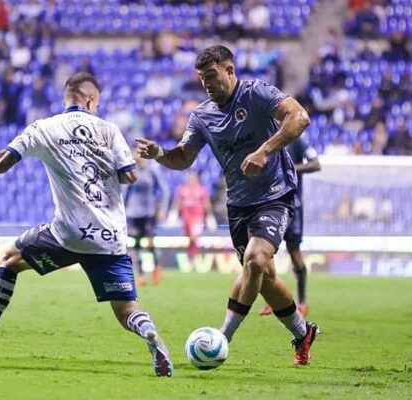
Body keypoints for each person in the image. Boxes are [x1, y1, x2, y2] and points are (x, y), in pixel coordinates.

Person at [0, 72, 173, 377]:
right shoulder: (109, 130)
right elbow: (130, 176)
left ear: (67, 97)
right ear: (91, 99)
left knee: (10, 259)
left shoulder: (44, 128)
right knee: (127, 310)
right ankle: (150, 334)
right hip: (110, 237)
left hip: (68, 233)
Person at [135, 45, 319, 366]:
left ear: (230, 70)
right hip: (239, 204)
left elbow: (299, 117)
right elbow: (184, 157)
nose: (206, 84)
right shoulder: (202, 115)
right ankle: (303, 334)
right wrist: (160, 154)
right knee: (263, 276)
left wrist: (265, 150)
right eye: (201, 79)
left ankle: (221, 338)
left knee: (256, 259)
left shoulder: (256, 93)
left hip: (275, 194)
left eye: (211, 76)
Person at [260, 136, 321, 318]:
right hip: (269, 204)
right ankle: (273, 300)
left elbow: (315, 164)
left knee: (294, 253)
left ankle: (302, 302)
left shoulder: (296, 140)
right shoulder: (263, 136)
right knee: (266, 254)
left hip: (293, 205)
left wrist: (288, 168)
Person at [124, 157, 169, 286]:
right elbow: (125, 191)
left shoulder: (153, 169)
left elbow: (164, 189)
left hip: (149, 213)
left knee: (150, 244)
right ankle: (141, 275)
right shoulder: (131, 170)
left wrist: (162, 209)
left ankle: (156, 268)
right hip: (133, 213)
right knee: (135, 245)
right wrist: (123, 209)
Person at [169, 171, 216, 262]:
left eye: (193, 178)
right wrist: (173, 214)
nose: (191, 180)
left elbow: (206, 203)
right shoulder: (183, 189)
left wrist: (210, 217)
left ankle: (194, 257)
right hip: (186, 218)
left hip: (197, 218)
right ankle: (191, 255)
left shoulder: (201, 190)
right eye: (190, 178)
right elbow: (178, 202)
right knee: (188, 237)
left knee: (194, 236)